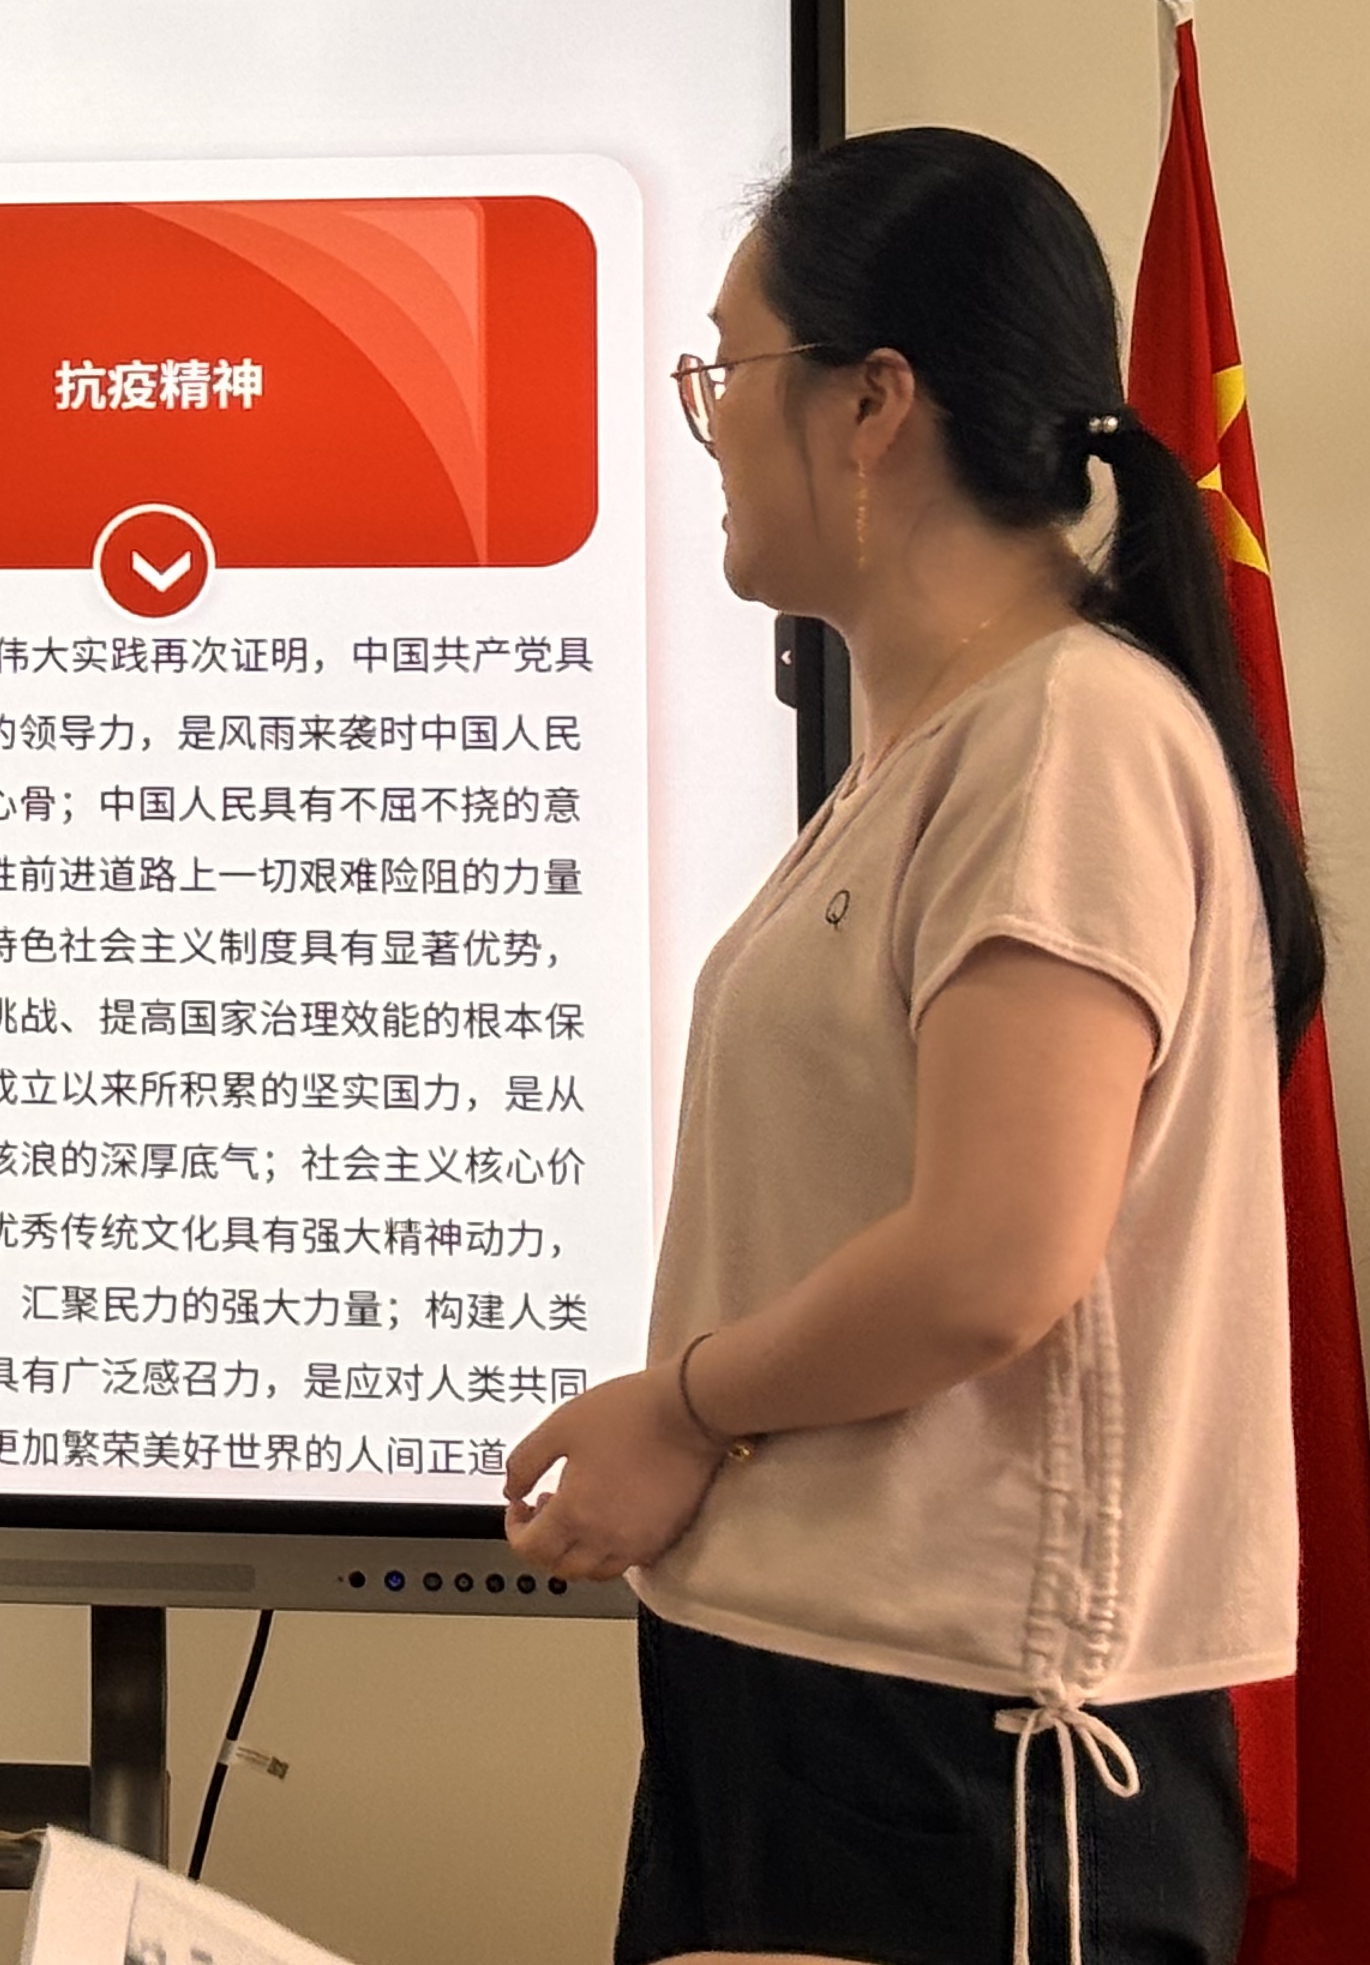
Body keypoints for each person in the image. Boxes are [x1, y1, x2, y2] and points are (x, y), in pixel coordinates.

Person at [500, 128, 1314, 1965]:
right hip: (822, 1691)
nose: (706, 424)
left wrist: (681, 1407)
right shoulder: (938, 745)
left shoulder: (1070, 736)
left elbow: (990, 1265)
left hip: (962, 1743)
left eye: (727, 370)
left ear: (875, 404)